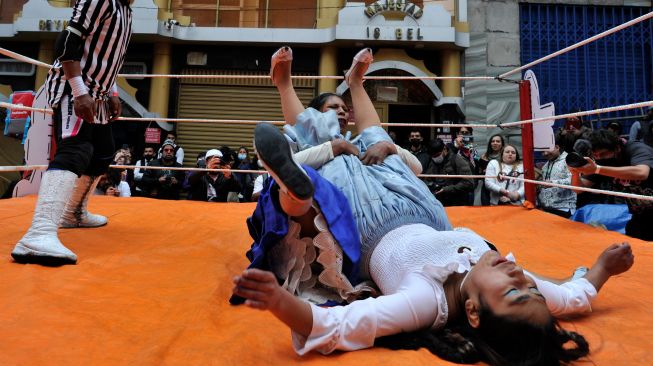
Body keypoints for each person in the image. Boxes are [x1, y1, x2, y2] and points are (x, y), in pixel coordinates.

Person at [231, 49, 634, 365]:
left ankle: (292, 168)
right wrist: (604, 267)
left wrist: (279, 302)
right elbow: (575, 297)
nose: (520, 273)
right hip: (425, 212)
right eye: (531, 288)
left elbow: (336, 326)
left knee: (329, 175)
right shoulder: (508, 279)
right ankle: (356, 83)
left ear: (473, 313)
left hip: (368, 225)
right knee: (379, 145)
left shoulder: (424, 303)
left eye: (514, 291)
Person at [11, 0, 133, 265]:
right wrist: (79, 92)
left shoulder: (125, 9)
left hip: (97, 93)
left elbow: (105, 58)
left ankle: (73, 213)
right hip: (74, 89)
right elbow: (67, 42)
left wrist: (112, 92)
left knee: (102, 154)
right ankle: (38, 233)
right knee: (75, 150)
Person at [569, 129, 653, 241]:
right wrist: (575, 173)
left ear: (617, 148)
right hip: (640, 215)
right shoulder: (600, 163)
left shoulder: (636, 149)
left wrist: (597, 169)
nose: (599, 158)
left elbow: (642, 173)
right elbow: (579, 189)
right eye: (596, 155)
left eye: (603, 154)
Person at [423, 139, 474, 206]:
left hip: (457, 203)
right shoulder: (432, 162)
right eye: (433, 156)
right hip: (439, 203)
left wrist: (447, 189)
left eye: (437, 155)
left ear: (444, 149)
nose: (435, 158)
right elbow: (427, 179)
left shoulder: (458, 160)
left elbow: (469, 183)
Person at [537, 133, 576, 218]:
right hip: (546, 208)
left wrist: (552, 183)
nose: (545, 153)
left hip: (563, 208)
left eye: (547, 150)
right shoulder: (545, 165)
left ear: (557, 147)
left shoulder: (569, 160)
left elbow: (574, 181)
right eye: (542, 151)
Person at [477, 134, 504, 205]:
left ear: (502, 144)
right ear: (490, 144)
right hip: (486, 187)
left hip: (501, 185)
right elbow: (479, 172)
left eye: (498, 141)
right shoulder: (484, 156)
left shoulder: (505, 156)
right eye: (493, 141)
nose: (495, 143)